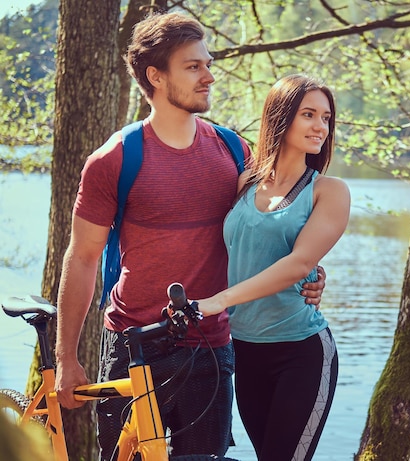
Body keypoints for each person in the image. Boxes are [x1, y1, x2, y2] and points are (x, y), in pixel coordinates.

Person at [53, 12, 325, 461]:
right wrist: (66, 358)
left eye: (208, 63)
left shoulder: (235, 152)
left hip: (212, 347)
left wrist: (312, 269)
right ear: (155, 76)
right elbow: (81, 257)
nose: (209, 76)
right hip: (131, 346)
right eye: (193, 66)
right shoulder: (115, 159)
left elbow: (269, 229)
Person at [197, 74, 350, 461]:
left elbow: (299, 262)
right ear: (281, 117)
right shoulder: (244, 182)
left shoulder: (328, 191)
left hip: (301, 352)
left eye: (326, 118)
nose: (320, 126)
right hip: (244, 350)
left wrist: (220, 300)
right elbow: (235, 251)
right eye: (309, 114)